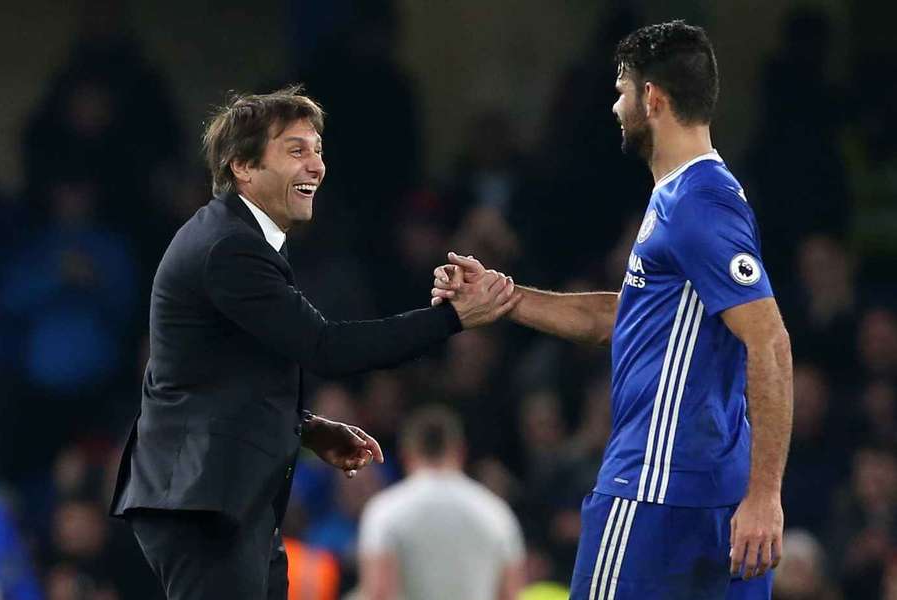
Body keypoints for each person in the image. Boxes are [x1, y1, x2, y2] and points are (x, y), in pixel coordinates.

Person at [109, 85, 519, 600]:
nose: (316, 166)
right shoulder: (230, 247)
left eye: (318, 150)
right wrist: (454, 318)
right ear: (243, 166)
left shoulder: (238, 239)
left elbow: (217, 373)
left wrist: (302, 427)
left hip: (225, 500)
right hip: (203, 502)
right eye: (296, 150)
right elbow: (327, 348)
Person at [433, 21, 793, 600]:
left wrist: (766, 495)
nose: (615, 104)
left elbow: (770, 342)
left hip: (655, 490)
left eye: (622, 89)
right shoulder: (690, 196)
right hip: (708, 490)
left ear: (652, 98)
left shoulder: (695, 204)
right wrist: (508, 297)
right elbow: (626, 318)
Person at [357, 405, 525, 600]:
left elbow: (378, 594)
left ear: (406, 453)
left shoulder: (386, 512)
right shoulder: (496, 513)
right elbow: (510, 595)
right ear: (461, 451)